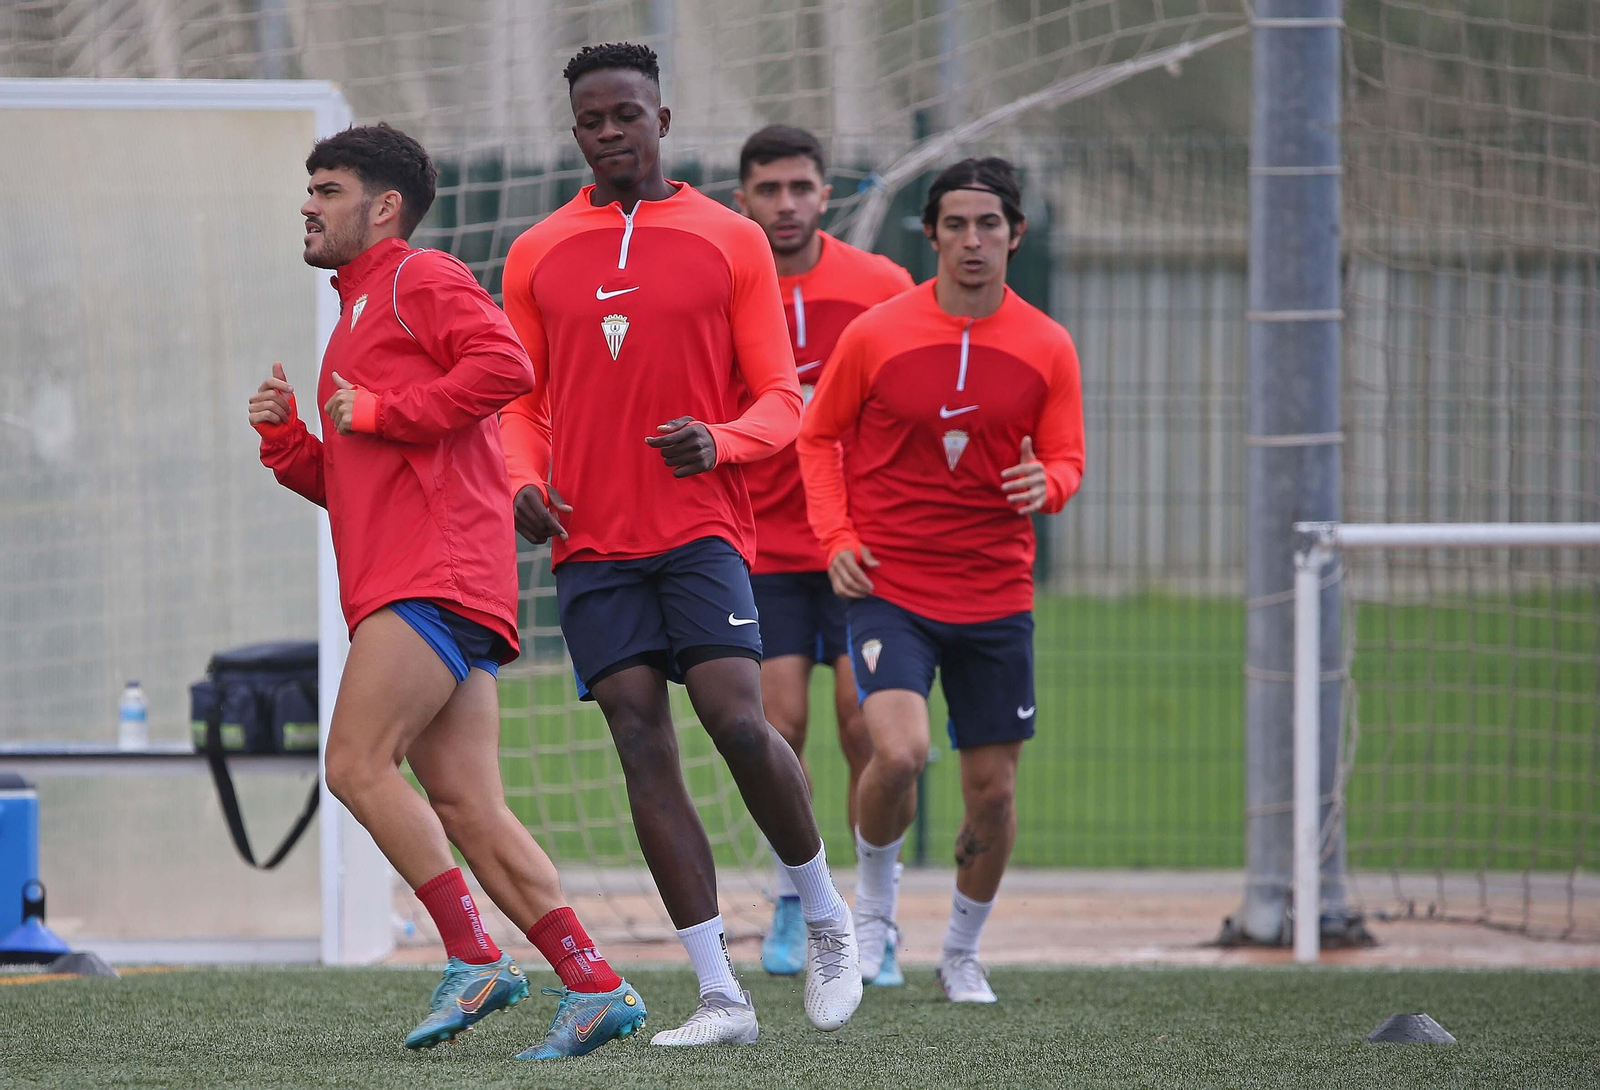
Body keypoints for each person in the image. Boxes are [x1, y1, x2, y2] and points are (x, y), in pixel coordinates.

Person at [248, 123, 645, 1059]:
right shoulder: (355, 311)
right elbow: (357, 478)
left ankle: (474, 957)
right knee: (469, 808)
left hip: (432, 575)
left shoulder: (417, 277)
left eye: (328, 189)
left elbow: (507, 367)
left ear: (385, 207)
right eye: (310, 188)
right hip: (434, 579)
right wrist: (288, 442)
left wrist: (385, 409)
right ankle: (595, 985)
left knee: (355, 765)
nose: (308, 205)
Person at [497, 44, 861, 1045]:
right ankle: (720, 994)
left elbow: (782, 400)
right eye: (591, 121)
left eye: (627, 114)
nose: (610, 132)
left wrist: (721, 441)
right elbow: (520, 402)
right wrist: (523, 480)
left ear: (662, 117)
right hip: (590, 540)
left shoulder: (731, 239)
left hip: (701, 528)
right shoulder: (535, 252)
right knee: (635, 735)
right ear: (576, 131)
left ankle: (827, 917)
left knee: (736, 718)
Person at [797, 157, 1085, 1003]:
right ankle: (874, 914)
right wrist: (836, 536)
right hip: (891, 586)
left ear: (1015, 235)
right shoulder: (877, 333)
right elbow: (819, 436)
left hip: (996, 595)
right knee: (899, 752)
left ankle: (961, 952)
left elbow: (1067, 458)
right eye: (955, 224)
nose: (972, 240)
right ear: (930, 235)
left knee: (993, 794)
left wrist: (1049, 484)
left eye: (988, 224)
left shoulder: (1047, 344)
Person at [730, 124, 915, 982]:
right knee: (778, 725)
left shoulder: (879, 287)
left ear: (825, 194)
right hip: (763, 545)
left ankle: (877, 915)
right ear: (743, 200)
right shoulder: (726, 285)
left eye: (800, 187)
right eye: (768, 190)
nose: (786, 204)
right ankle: (795, 901)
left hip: (859, 548)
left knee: (863, 724)